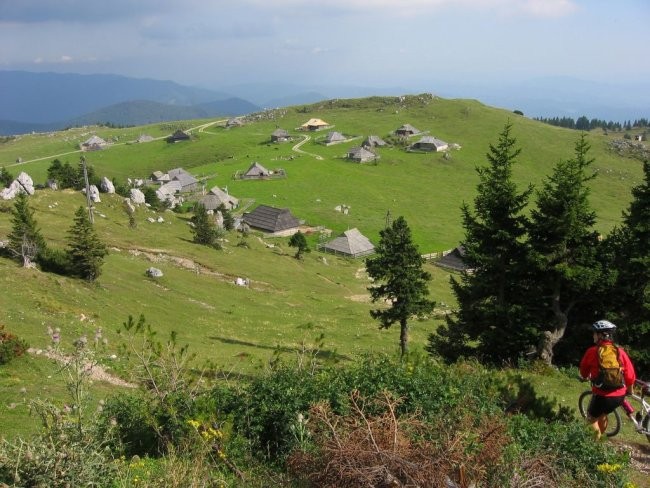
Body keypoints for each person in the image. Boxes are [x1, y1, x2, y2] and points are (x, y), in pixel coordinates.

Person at [579, 319, 637, 438]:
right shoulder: (619, 351)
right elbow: (630, 375)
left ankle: (597, 447)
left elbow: (583, 373)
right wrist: (630, 391)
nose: (593, 335)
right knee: (602, 414)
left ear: (600, 335)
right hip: (619, 397)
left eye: (594, 333)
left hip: (602, 395)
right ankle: (602, 436)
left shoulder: (592, 351)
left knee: (591, 419)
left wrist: (586, 376)